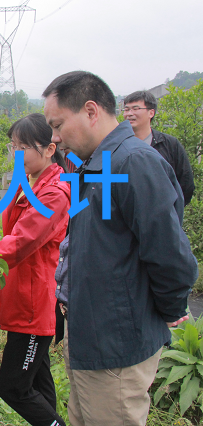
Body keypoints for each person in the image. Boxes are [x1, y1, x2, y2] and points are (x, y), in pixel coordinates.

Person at [43, 71, 198, 426]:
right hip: (92, 337)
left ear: (91, 111)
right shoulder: (96, 165)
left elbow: (170, 256)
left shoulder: (133, 162)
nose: (55, 138)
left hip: (115, 345)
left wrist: (167, 310)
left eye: (58, 125)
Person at [0, 113, 70, 426]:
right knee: (38, 385)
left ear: (49, 149)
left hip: (34, 305)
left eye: (23, 148)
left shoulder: (54, 193)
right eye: (13, 147)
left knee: (14, 388)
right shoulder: (30, 182)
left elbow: (19, 242)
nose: (16, 154)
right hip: (23, 294)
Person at [123, 90, 194, 206]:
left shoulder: (170, 145)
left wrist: (172, 210)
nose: (129, 114)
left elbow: (186, 184)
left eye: (135, 109)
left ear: (151, 113)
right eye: (126, 109)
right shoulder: (119, 145)